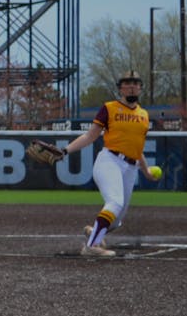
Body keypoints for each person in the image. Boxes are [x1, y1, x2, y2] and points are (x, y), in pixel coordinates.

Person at [61, 70, 156, 258]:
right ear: (120, 88)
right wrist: (65, 150)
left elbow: (137, 148)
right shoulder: (109, 108)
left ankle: (94, 231)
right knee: (115, 202)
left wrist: (146, 171)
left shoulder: (144, 115)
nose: (131, 86)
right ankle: (91, 246)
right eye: (127, 83)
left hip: (131, 167)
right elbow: (90, 136)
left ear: (140, 88)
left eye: (135, 83)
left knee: (117, 219)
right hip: (110, 160)